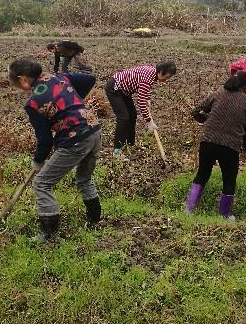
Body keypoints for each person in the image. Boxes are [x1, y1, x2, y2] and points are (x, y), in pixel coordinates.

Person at [9, 58, 101, 241]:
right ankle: (94, 221)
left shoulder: (33, 103)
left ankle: (49, 233)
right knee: (84, 178)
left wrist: (38, 160)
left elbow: (45, 140)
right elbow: (89, 79)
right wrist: (72, 105)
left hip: (75, 140)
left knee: (41, 183)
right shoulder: (59, 78)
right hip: (94, 131)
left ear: (22, 79)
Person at [187, 71, 246, 220]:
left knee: (202, 174)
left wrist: (206, 120)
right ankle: (224, 216)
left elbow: (196, 111)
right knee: (229, 180)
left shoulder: (218, 94)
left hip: (207, 141)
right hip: (230, 146)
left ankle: (189, 210)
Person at [104, 61, 177, 156]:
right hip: (115, 88)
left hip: (124, 91)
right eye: (167, 77)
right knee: (123, 118)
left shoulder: (153, 73)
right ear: (161, 71)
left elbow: (145, 89)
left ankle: (129, 143)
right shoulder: (149, 77)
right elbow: (141, 101)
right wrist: (149, 121)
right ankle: (117, 150)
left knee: (132, 115)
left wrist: (148, 98)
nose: (166, 80)